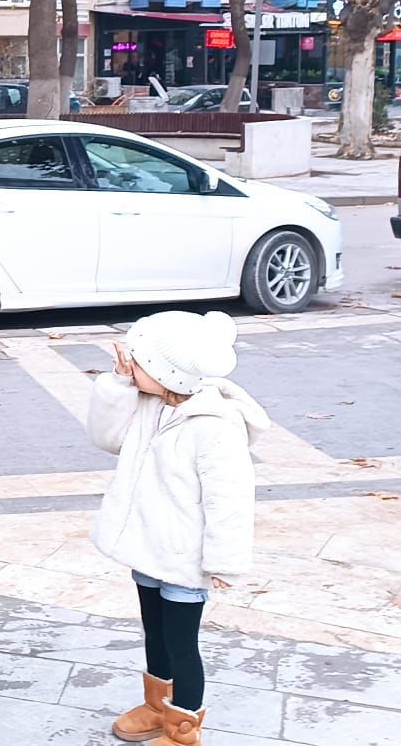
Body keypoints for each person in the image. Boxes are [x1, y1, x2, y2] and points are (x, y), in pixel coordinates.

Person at [88, 310, 267, 746]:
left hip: (187, 557)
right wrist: (118, 385)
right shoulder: (150, 404)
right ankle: (156, 706)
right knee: (155, 632)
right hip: (148, 546)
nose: (130, 363)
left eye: (139, 361)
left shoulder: (214, 427)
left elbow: (230, 500)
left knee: (182, 643)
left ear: (169, 373)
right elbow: (108, 438)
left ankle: (184, 728)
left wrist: (224, 560)